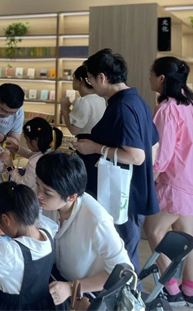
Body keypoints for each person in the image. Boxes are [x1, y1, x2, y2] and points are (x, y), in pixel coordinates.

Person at [74, 48, 159, 273]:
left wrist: (95, 148)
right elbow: (153, 145)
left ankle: (127, 294)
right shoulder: (136, 100)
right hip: (130, 191)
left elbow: (136, 156)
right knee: (123, 252)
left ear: (102, 77)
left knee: (121, 258)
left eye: (90, 79)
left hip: (121, 195)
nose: (90, 85)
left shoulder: (122, 107)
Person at [35, 152, 132, 306]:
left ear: (71, 197)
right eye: (37, 185)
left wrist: (71, 288)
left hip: (90, 293)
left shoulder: (97, 220)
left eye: (47, 192)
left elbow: (123, 273)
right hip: (59, 279)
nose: (38, 194)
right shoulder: (51, 205)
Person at [143, 56, 193, 306]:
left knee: (154, 229)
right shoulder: (192, 105)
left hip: (173, 182)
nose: (150, 78)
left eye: (152, 74)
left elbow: (161, 155)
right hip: (191, 181)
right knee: (187, 236)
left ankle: (171, 288)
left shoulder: (167, 109)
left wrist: (147, 184)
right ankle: (191, 290)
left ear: (162, 79)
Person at [0, 181, 56, 310]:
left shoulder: (11, 252)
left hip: (13, 307)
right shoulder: (47, 230)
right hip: (41, 304)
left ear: (6, 220)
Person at [0, 117, 62, 191]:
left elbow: (23, 185)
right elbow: (32, 154)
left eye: (27, 140)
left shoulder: (34, 162)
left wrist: (9, 166)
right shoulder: (50, 152)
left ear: (36, 140)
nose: (26, 143)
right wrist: (17, 148)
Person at [60, 65, 106, 136]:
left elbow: (74, 130)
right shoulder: (100, 99)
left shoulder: (83, 102)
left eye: (74, 77)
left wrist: (65, 110)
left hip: (86, 141)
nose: (72, 81)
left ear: (80, 80)